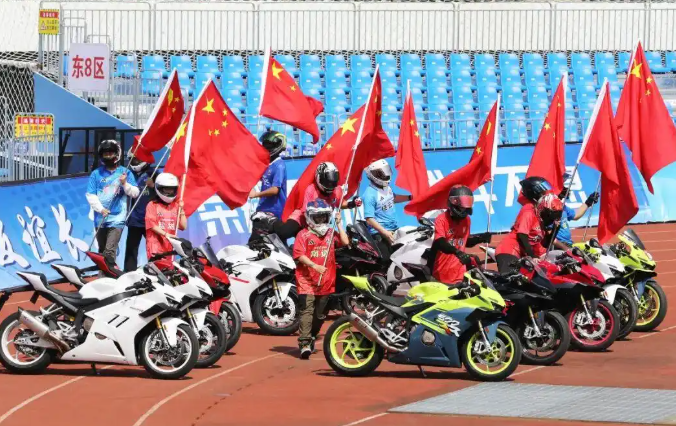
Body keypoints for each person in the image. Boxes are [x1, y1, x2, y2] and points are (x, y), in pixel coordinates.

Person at [293, 199, 349, 360]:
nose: (321, 220)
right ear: (310, 217)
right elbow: (299, 255)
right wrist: (314, 266)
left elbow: (345, 242)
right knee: (307, 311)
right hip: (306, 281)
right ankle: (304, 343)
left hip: (326, 281)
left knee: (320, 315)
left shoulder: (331, 234)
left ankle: (312, 336)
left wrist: (339, 224)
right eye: (318, 217)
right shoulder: (303, 235)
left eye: (324, 217)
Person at [266, 161, 360, 242]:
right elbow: (306, 213)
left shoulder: (337, 190)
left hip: (320, 224)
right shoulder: (311, 189)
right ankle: (270, 221)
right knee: (284, 232)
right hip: (303, 220)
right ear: (319, 178)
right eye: (328, 182)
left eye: (333, 182)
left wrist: (352, 203)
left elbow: (340, 204)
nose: (331, 185)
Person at [86, 140, 139, 271]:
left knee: (109, 251)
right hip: (100, 219)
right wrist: (101, 209)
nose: (108, 156)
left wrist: (125, 183)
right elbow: (90, 195)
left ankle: (108, 276)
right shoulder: (96, 174)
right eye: (105, 153)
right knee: (102, 250)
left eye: (110, 153)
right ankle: (106, 273)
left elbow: (135, 193)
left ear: (117, 154)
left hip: (117, 219)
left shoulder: (125, 173)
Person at [430, 185, 491, 284]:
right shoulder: (442, 219)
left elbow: (464, 241)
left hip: (459, 271)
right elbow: (440, 242)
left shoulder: (467, 220)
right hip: (442, 271)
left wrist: (480, 238)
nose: (463, 209)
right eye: (461, 207)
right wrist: (457, 252)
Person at [495, 190, 564, 274]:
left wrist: (555, 229)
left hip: (524, 255)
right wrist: (532, 256)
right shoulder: (529, 213)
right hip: (509, 250)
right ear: (542, 208)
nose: (551, 219)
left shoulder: (541, 222)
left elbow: (546, 244)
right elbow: (522, 235)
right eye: (550, 215)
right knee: (510, 277)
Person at [361, 159, 412, 260]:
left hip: (394, 229)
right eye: (381, 173)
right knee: (388, 261)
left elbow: (393, 198)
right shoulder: (369, 194)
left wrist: (410, 197)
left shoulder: (386, 187)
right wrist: (385, 233)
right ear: (373, 175)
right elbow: (369, 219)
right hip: (380, 234)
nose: (385, 175)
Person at [248, 131, 288, 244]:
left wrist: (256, 194)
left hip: (275, 211)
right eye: (264, 145)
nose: (266, 148)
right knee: (256, 243)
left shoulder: (279, 165)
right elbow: (261, 178)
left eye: (269, 145)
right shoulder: (267, 163)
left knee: (278, 244)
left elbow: (275, 189)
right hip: (262, 210)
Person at [145, 173, 188, 267]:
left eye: (171, 189)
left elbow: (183, 226)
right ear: (159, 188)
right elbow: (152, 225)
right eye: (167, 189)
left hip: (169, 247)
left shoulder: (175, 206)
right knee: (158, 270)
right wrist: (166, 234)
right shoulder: (152, 205)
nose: (169, 192)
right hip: (155, 247)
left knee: (169, 271)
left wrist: (181, 210)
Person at [124, 152, 154, 272]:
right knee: (131, 249)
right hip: (134, 219)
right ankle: (129, 273)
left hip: (151, 220)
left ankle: (158, 271)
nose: (134, 162)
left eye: (137, 159)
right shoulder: (128, 174)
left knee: (154, 249)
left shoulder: (154, 173)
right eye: (132, 160)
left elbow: (164, 192)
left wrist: (153, 185)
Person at [553, 173, 600, 250]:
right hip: (558, 247)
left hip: (568, 244)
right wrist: (566, 248)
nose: (565, 188)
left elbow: (576, 215)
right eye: (562, 186)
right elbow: (549, 237)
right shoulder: (549, 208)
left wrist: (588, 202)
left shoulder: (561, 205)